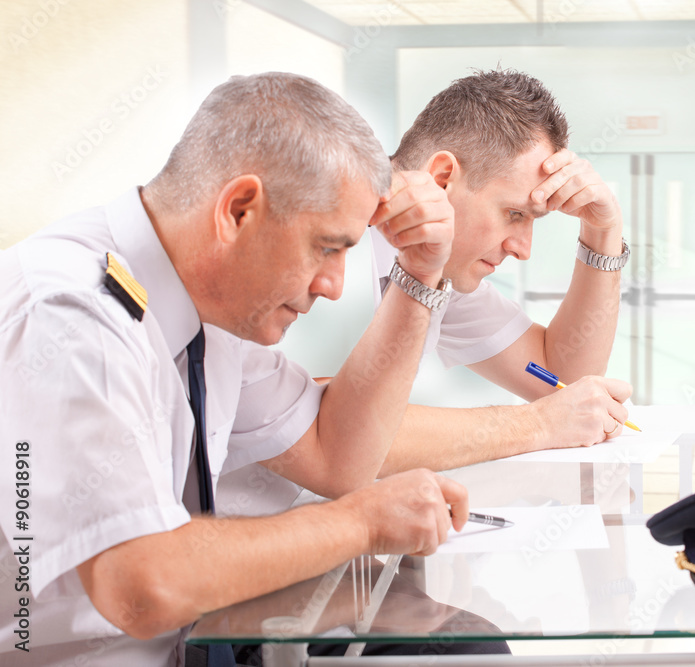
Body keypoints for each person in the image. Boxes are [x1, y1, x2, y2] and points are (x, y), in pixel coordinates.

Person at [0, 72, 476, 666]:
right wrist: (362, 524)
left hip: (190, 645)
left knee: (461, 641)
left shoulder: (207, 313)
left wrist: (419, 275)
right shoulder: (71, 316)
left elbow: (339, 457)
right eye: (327, 248)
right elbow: (142, 586)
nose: (333, 286)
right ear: (239, 210)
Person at [375, 68, 634, 473]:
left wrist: (603, 232)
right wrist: (538, 424)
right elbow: (340, 431)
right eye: (514, 213)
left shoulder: (440, 268)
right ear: (442, 180)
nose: (523, 249)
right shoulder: (331, 246)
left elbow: (560, 379)